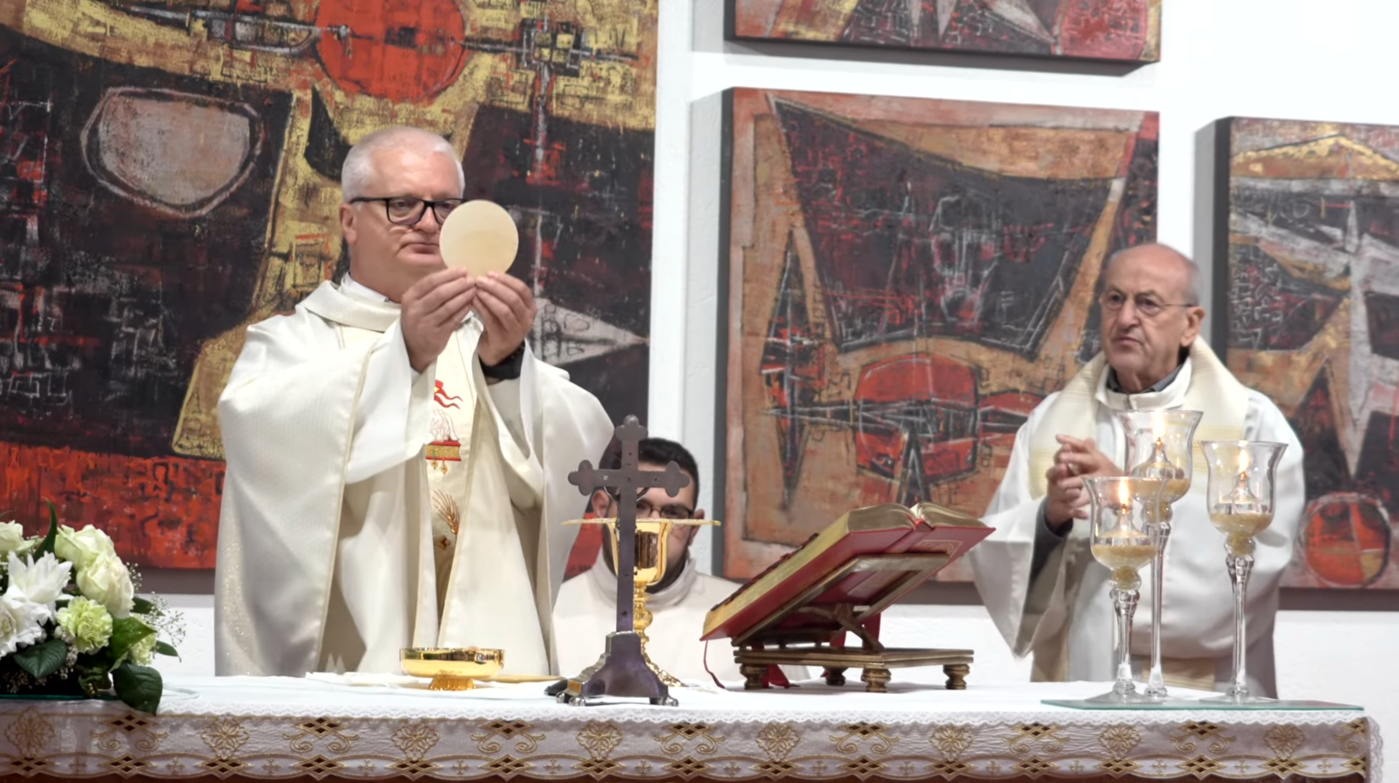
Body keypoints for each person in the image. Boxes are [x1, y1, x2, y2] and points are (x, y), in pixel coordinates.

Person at [214, 126, 614, 678]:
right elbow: (259, 427)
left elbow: (577, 440)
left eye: (446, 206)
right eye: (401, 205)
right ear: (349, 220)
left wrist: (504, 369)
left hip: (488, 660)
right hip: (356, 666)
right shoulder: (296, 344)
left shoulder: (488, 343)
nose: (429, 223)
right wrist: (402, 356)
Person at [969, 243, 1304, 697]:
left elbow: (1254, 560)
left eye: (1148, 303)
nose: (1126, 318)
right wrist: (1051, 517)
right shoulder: (1051, 420)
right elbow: (998, 554)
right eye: (1114, 299)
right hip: (1078, 680)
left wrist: (1125, 498)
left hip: (1203, 691)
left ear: (1190, 324)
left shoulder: (1249, 424)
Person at [551, 438, 750, 683]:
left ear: (694, 527)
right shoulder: (552, 614)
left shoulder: (743, 617)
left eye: (673, 513)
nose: (652, 526)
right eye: (636, 506)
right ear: (602, 509)